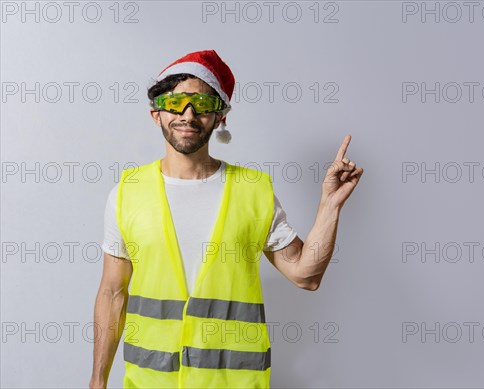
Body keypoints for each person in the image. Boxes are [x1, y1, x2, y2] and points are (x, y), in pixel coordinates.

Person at [89, 50, 364, 389]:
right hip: (150, 382)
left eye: (202, 105)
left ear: (220, 117)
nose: (188, 114)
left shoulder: (253, 191)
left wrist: (330, 205)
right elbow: (112, 292)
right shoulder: (126, 193)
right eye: (176, 103)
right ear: (156, 113)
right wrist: (97, 380)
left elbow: (306, 275)